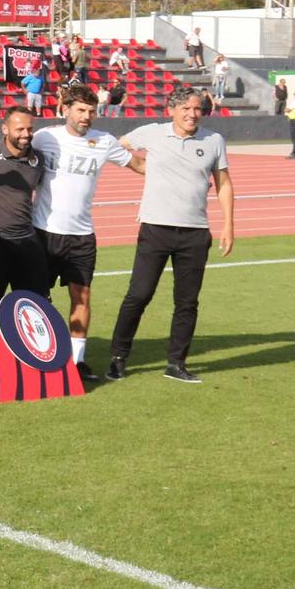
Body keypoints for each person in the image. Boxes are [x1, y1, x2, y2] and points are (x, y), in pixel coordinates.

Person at [105, 88, 235, 383]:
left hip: (196, 233)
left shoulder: (214, 140)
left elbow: (224, 184)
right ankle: (117, 358)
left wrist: (228, 225)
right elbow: (112, 147)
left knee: (187, 302)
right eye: (186, 109)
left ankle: (176, 364)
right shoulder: (152, 132)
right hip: (155, 228)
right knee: (139, 295)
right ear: (172, 110)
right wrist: (139, 166)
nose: (192, 114)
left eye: (197, 109)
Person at [29, 84, 136, 377]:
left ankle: (77, 361)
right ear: (65, 109)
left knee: (82, 297)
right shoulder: (44, 137)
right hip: (44, 232)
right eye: (81, 110)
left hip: (82, 235)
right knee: (37, 297)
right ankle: (38, 355)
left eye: (91, 111)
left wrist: (178, 173)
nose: (87, 116)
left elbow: (137, 163)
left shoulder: (105, 141)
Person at [0, 106, 48, 322]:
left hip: (26, 241)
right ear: (5, 129)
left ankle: (29, 353)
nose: (26, 134)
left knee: (34, 306)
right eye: (19, 129)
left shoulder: (38, 159)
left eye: (29, 129)